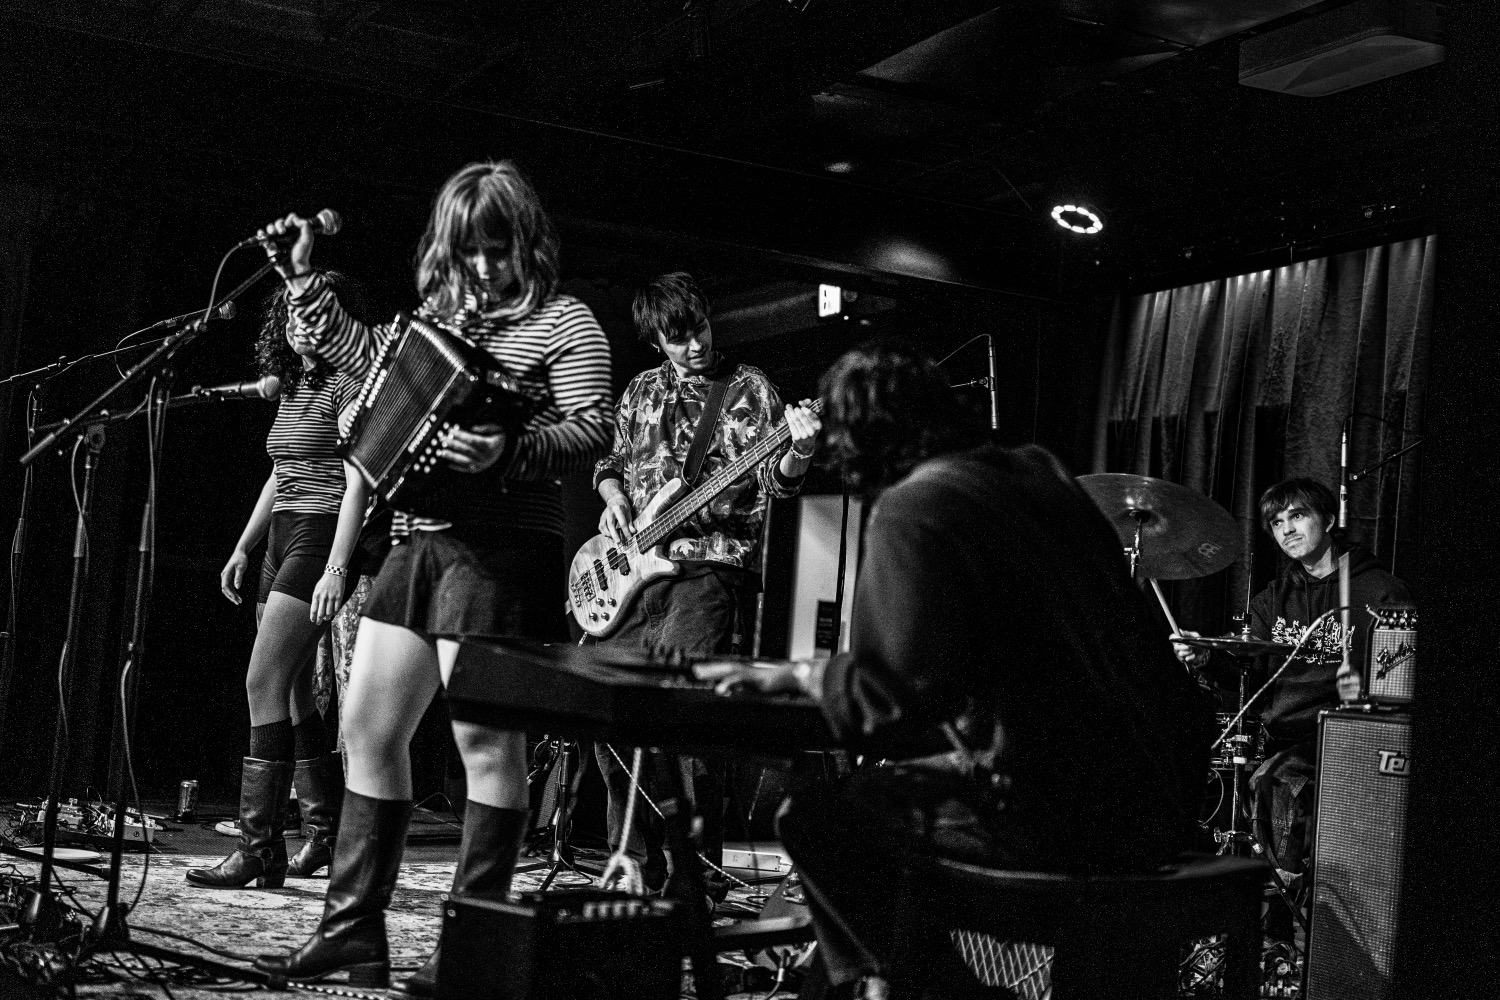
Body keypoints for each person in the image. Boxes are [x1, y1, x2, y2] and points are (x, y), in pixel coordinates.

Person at [718, 340, 1209, 1000]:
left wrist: (805, 676)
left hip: (1061, 813)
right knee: (909, 816)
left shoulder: (917, 504)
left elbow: (895, 703)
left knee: (817, 819)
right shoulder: (1040, 474)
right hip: (1162, 794)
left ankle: (945, 992)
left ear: (859, 442)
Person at [251, 161, 614, 995]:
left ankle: (473, 949)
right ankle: (353, 935)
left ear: (527, 242)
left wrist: (510, 448)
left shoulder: (565, 322)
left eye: (498, 249)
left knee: (485, 743)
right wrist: (302, 281)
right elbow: (361, 357)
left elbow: (594, 427)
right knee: (368, 729)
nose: (483, 266)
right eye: (468, 251)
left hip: (502, 547)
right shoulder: (437, 320)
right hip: (418, 543)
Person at [591, 272, 820, 898]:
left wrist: (799, 451)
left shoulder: (750, 389)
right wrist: (614, 499)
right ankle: (633, 868)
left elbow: (777, 483)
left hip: (711, 570)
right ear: (656, 342)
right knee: (609, 716)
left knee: (685, 723)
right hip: (633, 573)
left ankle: (692, 877)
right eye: (679, 338)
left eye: (700, 330)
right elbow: (610, 464)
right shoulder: (640, 391)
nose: (695, 345)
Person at [187, 274, 371, 890]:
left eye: (312, 315)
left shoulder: (350, 385)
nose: (298, 325)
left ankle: (259, 847)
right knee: (290, 689)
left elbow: (359, 482)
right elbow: (279, 471)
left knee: (261, 679)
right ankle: (325, 833)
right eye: (290, 316)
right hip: (281, 534)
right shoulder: (292, 386)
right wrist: (243, 544)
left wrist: (338, 565)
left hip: (320, 533)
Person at [1174, 477, 1411, 898]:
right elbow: (1249, 669)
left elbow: (1405, 677)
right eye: (1277, 523)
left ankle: (1284, 904)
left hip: (1343, 739)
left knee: (1275, 779)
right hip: (1281, 736)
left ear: (1329, 520)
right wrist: (1204, 656)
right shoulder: (1275, 598)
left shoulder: (1380, 592)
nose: (1287, 530)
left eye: (1297, 516)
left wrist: (1369, 695)